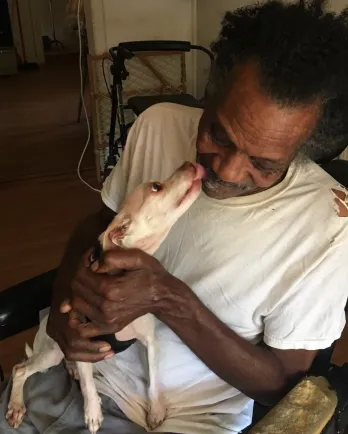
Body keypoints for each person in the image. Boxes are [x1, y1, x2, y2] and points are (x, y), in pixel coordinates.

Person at [2, 0, 348, 433]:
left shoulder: (329, 228)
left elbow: (284, 386)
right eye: (218, 134)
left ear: (304, 147)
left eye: (265, 164)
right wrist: (59, 309)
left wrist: (168, 298)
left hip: (184, 417)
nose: (224, 170)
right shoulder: (157, 125)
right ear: (210, 91)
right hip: (68, 373)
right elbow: (98, 223)